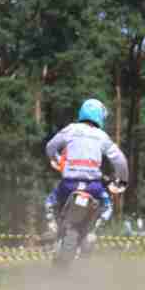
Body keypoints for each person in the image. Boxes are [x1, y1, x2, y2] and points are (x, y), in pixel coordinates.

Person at [43, 99, 129, 237]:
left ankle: (52, 225)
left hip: (68, 185)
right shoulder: (102, 136)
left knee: (49, 202)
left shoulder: (70, 129)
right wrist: (123, 180)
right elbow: (120, 161)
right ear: (100, 116)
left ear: (82, 112)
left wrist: (56, 160)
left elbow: (50, 147)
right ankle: (94, 232)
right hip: (93, 187)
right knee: (107, 206)